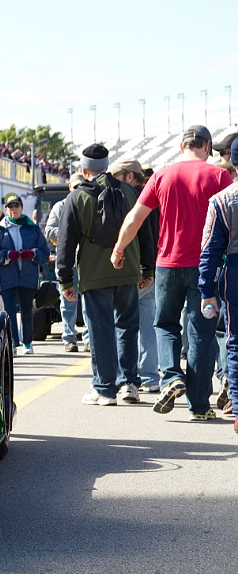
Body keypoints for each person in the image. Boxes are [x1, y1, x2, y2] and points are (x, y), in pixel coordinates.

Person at [112, 125, 233, 419]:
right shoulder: (219, 176)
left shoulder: (162, 175)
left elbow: (135, 218)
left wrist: (118, 249)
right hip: (207, 267)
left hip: (167, 264)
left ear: (181, 146)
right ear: (207, 147)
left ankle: (171, 377)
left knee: (165, 324)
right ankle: (199, 406)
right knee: (202, 333)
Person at [57, 144, 149, 406]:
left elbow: (65, 242)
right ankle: (129, 384)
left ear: (84, 169)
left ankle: (105, 389)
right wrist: (147, 268)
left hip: (95, 275)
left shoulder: (76, 197)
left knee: (100, 330)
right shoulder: (130, 192)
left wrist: (65, 279)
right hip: (128, 269)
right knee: (128, 328)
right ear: (107, 166)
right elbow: (145, 230)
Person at [109, 157, 159, 391]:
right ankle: (150, 377)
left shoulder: (128, 197)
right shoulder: (157, 194)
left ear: (129, 176)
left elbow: (141, 232)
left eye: (116, 176)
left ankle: (126, 378)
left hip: (130, 268)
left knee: (123, 324)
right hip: (157, 266)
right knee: (149, 323)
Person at [199, 137, 238, 432]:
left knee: (235, 342)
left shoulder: (223, 199)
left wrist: (206, 291)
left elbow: (210, 250)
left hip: (235, 273)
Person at [0, 194, 49, 354]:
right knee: (9, 312)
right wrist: (7, 255)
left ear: (22, 207)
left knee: (27, 310)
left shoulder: (32, 228)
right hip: (8, 277)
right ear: (6, 209)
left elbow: (45, 252)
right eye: (10, 206)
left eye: (16, 206)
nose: (14, 209)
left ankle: (28, 343)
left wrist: (33, 254)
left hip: (28, 277)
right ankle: (13, 343)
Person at [43, 172, 89, 353]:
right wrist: (69, 233)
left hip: (86, 260)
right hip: (67, 260)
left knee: (88, 302)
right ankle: (69, 338)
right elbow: (49, 231)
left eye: (81, 187)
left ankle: (88, 339)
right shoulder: (60, 207)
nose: (78, 190)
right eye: (75, 187)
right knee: (67, 301)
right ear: (70, 188)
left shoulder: (89, 205)